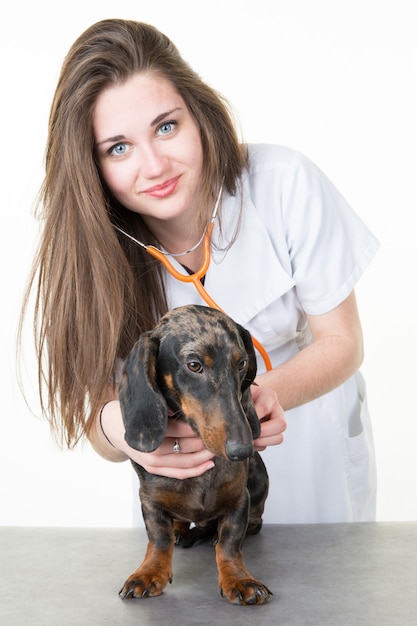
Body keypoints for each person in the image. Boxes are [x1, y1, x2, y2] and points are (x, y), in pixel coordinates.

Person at [20, 18, 379, 524]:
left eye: (167, 127)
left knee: (320, 591)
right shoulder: (93, 253)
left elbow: (343, 342)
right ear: (91, 166)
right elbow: (99, 419)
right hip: (182, 490)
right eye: (118, 148)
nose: (155, 165)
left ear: (200, 113)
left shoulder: (284, 185)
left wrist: (259, 400)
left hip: (306, 448)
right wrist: (119, 427)